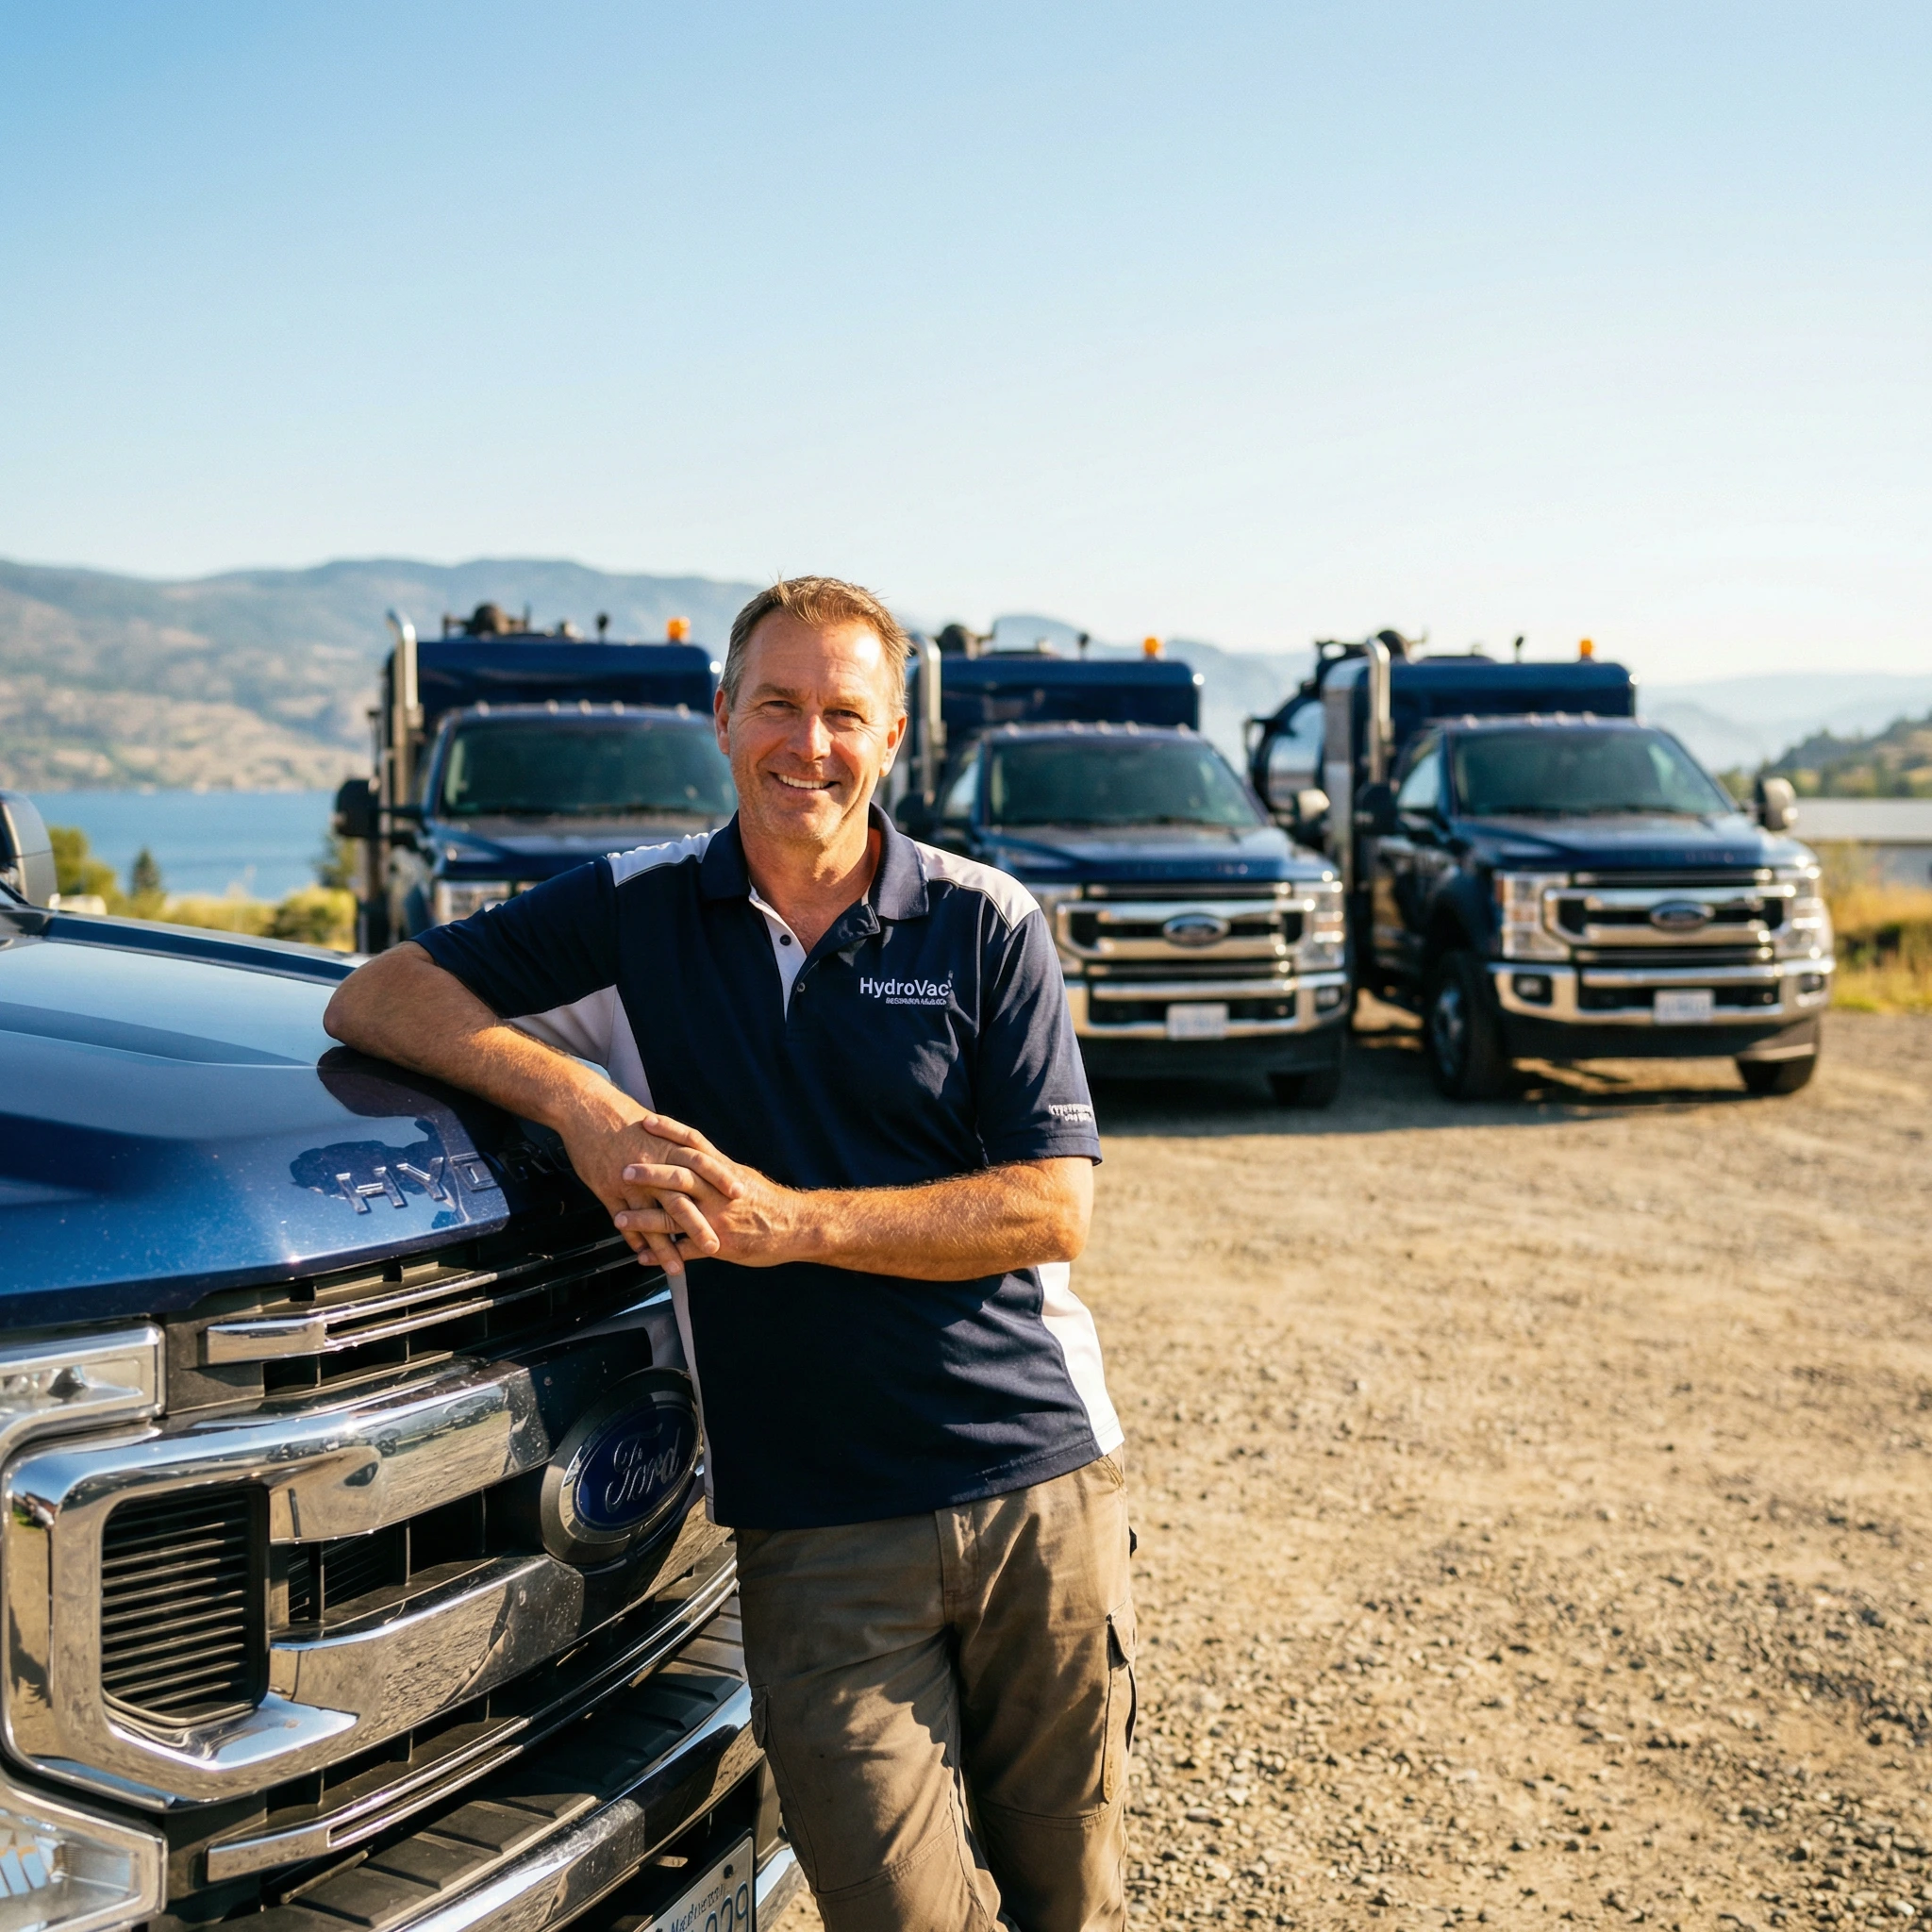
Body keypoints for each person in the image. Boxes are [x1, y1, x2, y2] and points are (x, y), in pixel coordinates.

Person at [324, 576, 1135, 1931]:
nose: (808, 744)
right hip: (814, 1522)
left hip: (1035, 1488)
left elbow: (1052, 1210)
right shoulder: (635, 909)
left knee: (1075, 1901)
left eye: (844, 715)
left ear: (891, 739)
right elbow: (380, 995)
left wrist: (786, 1221)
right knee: (893, 1909)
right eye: (777, 705)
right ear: (721, 715)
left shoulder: (986, 919)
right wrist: (585, 1107)